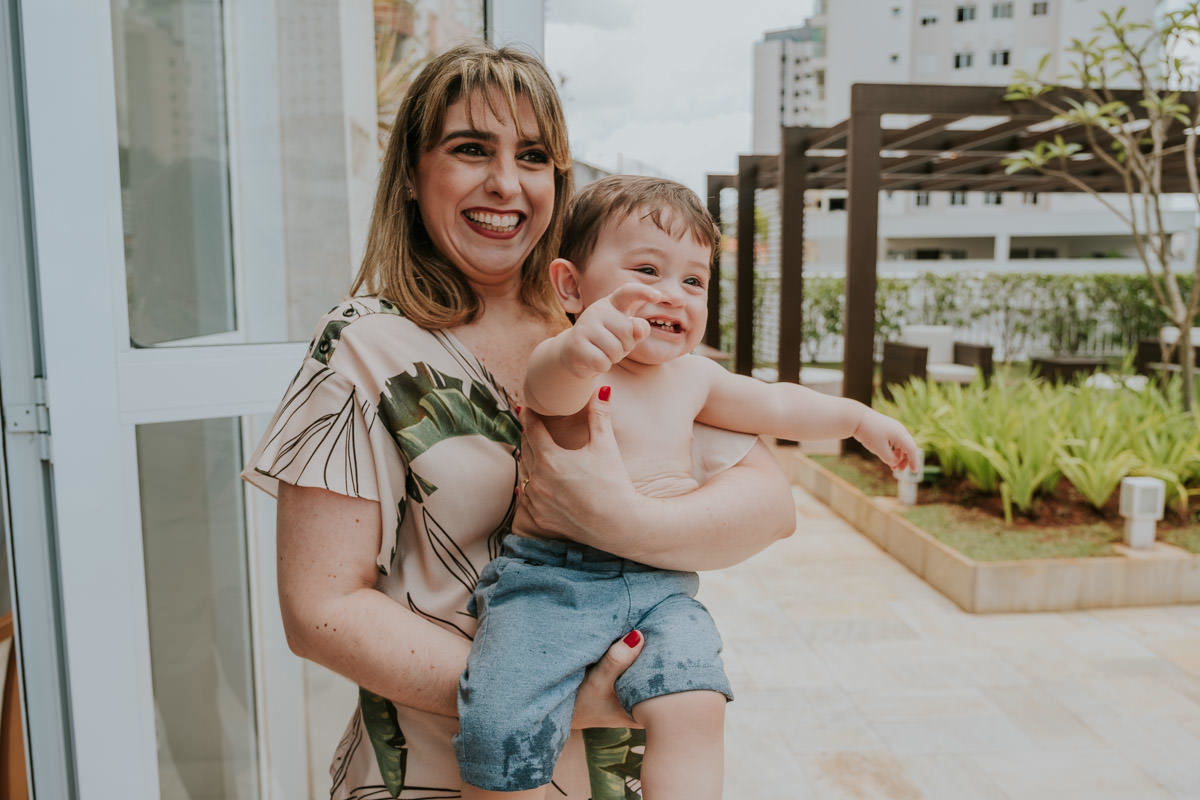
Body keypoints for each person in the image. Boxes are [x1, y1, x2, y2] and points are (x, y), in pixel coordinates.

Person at [241, 44, 796, 799]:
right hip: (438, 774)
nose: (505, 183)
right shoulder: (366, 347)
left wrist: (622, 520)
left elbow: (770, 505)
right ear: (411, 172)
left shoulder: (613, 321)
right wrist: (550, 692)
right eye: (471, 148)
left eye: (533, 156)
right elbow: (320, 612)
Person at [454, 176, 920, 800]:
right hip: (550, 585)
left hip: (658, 588)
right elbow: (549, 390)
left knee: (696, 699)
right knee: (500, 723)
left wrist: (859, 419)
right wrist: (582, 349)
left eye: (693, 281)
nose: (672, 295)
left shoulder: (695, 379)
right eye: (647, 270)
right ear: (571, 286)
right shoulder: (564, 360)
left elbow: (778, 405)